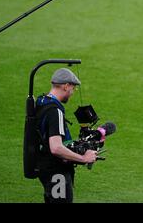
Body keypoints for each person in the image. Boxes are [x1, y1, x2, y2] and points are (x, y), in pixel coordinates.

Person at [36, 68, 97, 203]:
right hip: (56, 172)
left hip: (43, 165)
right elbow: (56, 148)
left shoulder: (41, 102)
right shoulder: (55, 111)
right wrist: (83, 158)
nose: (73, 92)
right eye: (73, 88)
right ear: (66, 86)